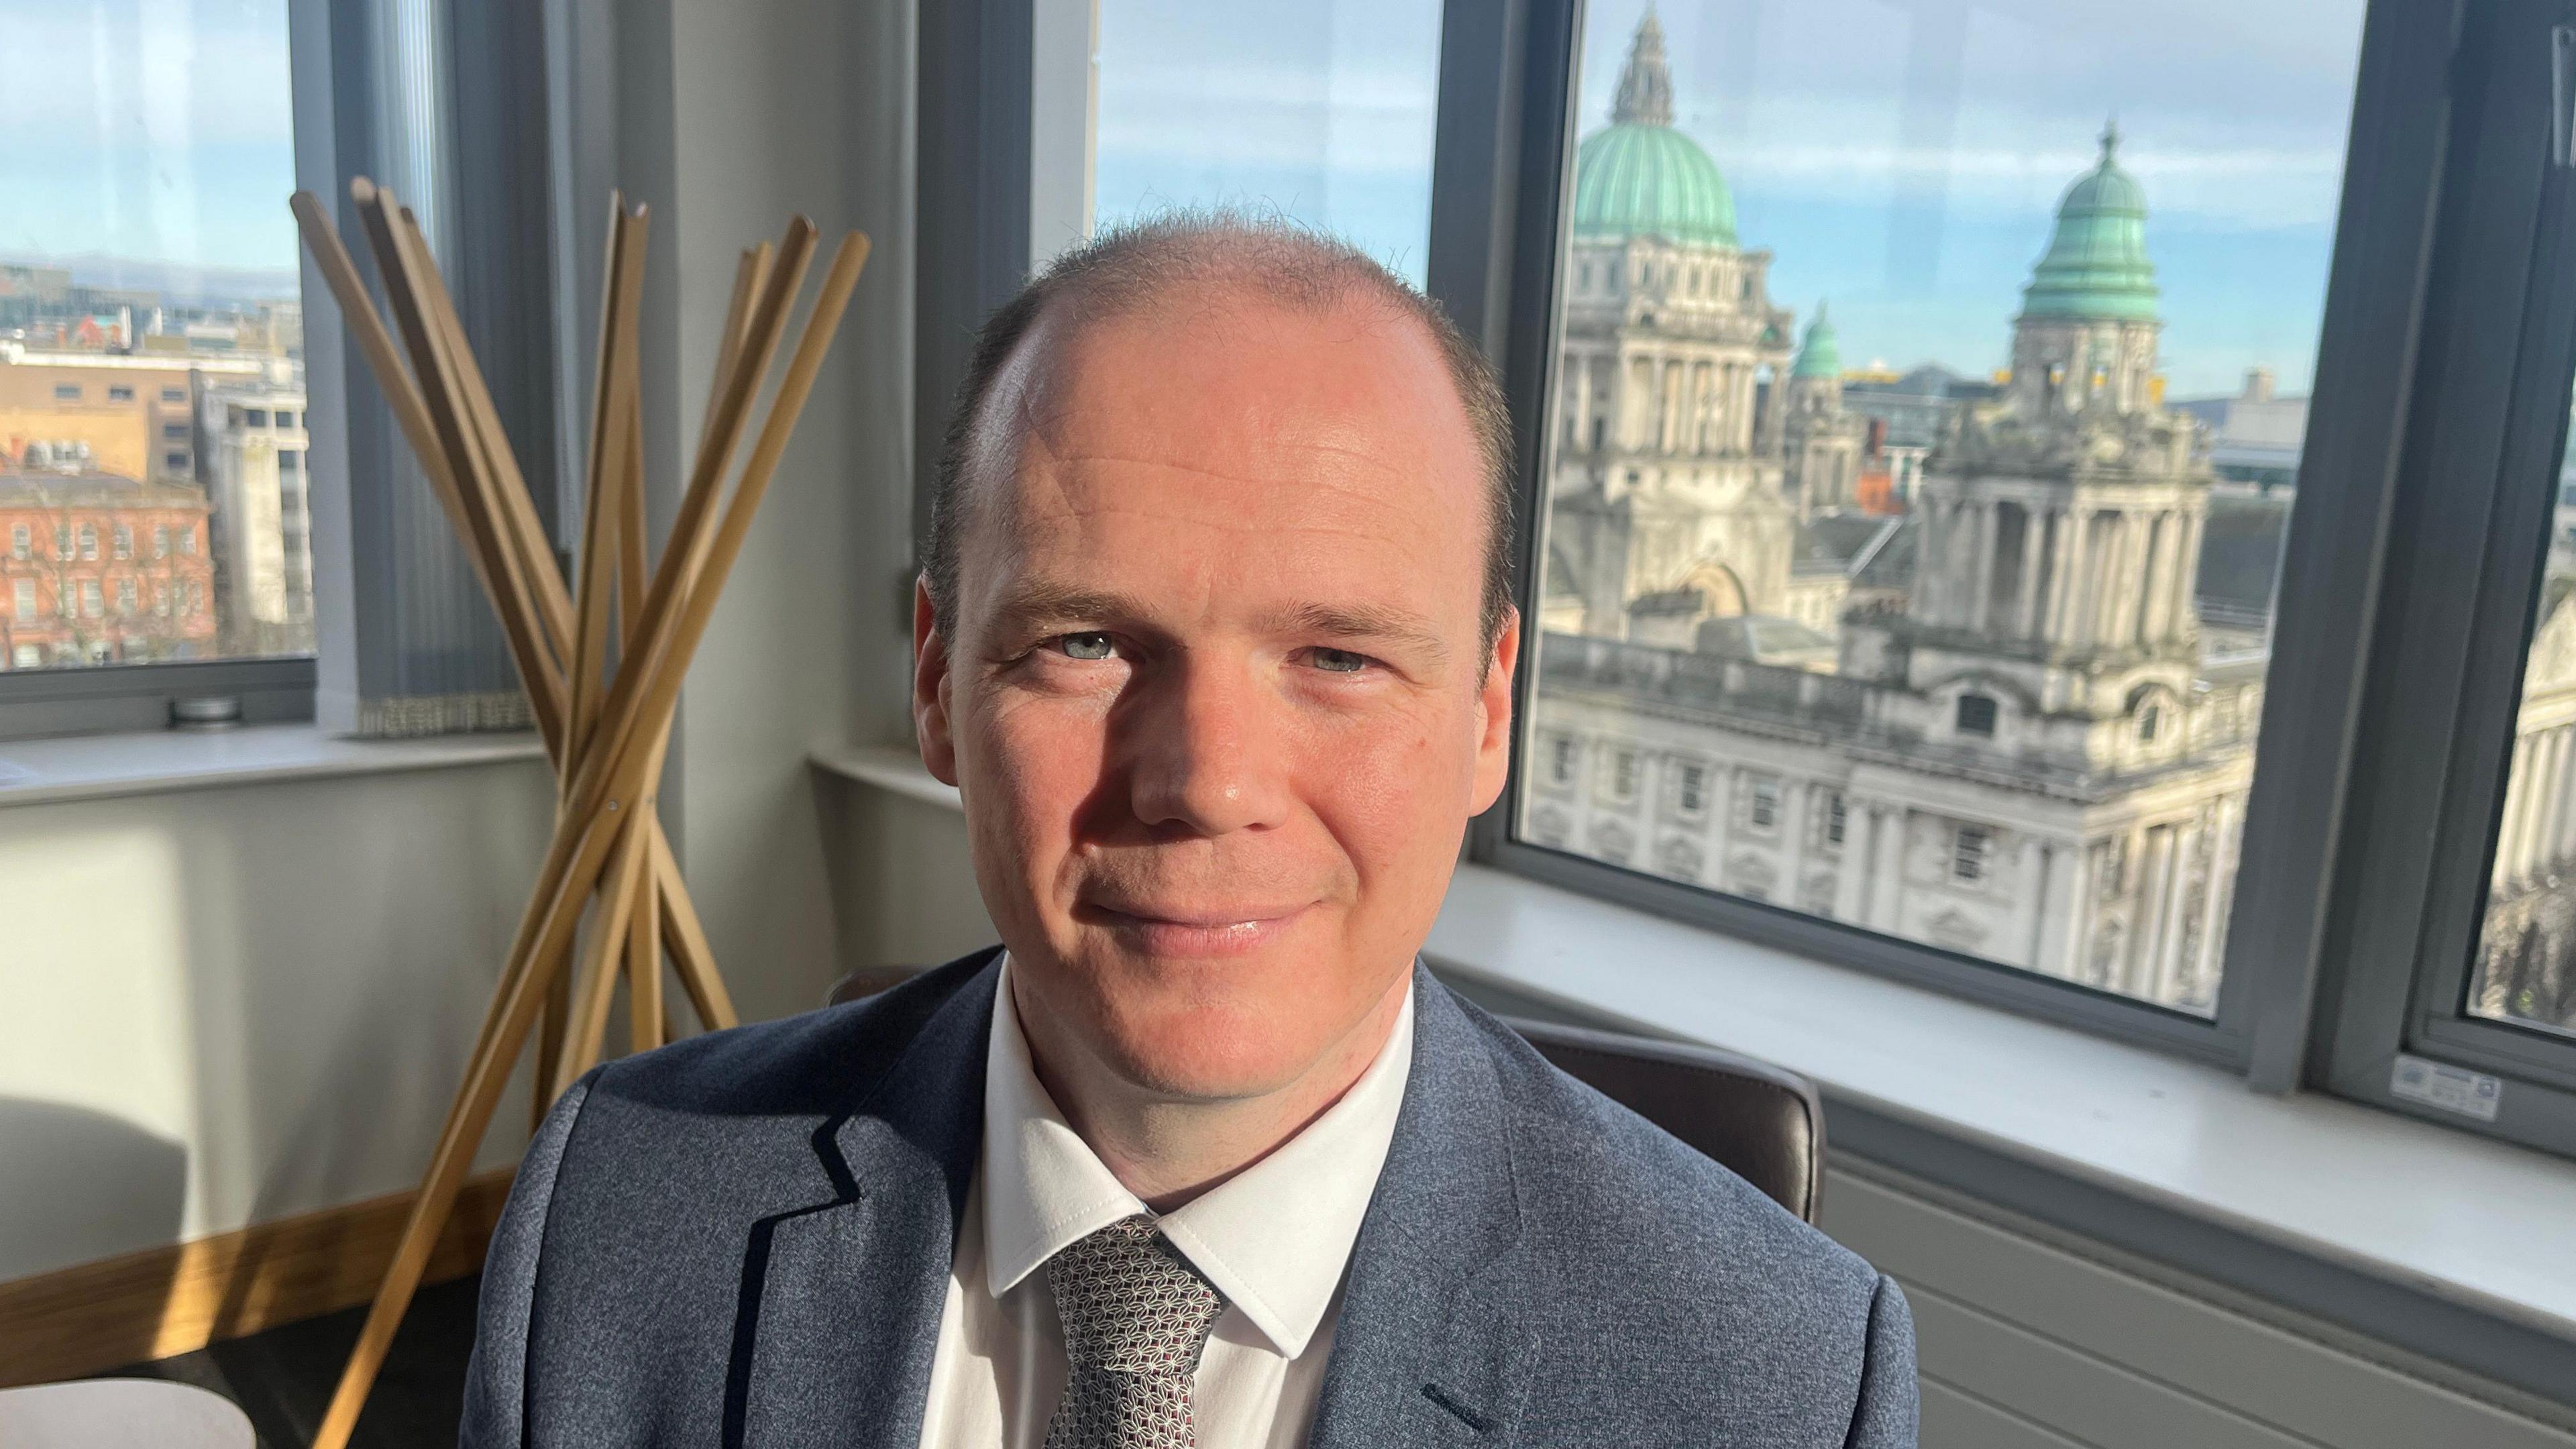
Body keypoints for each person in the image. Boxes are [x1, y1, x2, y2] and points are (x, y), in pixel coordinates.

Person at [462, 217, 1917, 1448]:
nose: (1208, 782)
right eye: (1086, 640)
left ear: (1487, 715)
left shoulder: (1778, 1387)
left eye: (1339, 658)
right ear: (937, 685)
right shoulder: (616, 1208)